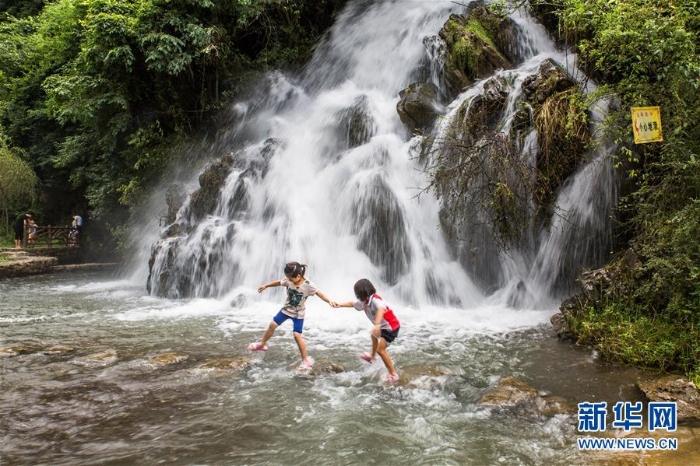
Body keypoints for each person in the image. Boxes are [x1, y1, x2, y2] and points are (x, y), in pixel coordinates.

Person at [249, 262, 337, 371]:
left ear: (298, 276)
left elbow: (320, 294)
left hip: (298, 314)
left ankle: (306, 360)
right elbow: (279, 282)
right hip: (286, 310)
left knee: (296, 335)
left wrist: (330, 301)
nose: (288, 280)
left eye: (290, 278)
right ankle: (262, 344)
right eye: (288, 278)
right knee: (272, 325)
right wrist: (266, 286)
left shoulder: (309, 285)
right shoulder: (289, 279)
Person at [333, 278, 401, 383]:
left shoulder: (375, 300)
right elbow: (352, 303)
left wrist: (377, 324)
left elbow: (381, 309)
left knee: (381, 350)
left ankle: (393, 374)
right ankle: (372, 358)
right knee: (373, 336)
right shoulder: (364, 302)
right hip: (383, 327)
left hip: (391, 327)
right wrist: (339, 305)